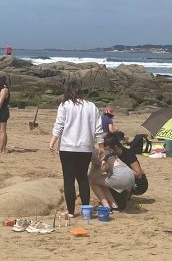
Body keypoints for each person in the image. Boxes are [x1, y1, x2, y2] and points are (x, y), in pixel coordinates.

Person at [49, 81, 104, 218]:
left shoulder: (65, 105)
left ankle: (71, 212)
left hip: (67, 147)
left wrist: (52, 142)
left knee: (69, 180)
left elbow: (59, 125)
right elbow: (98, 128)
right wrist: (101, 145)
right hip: (85, 148)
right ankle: (86, 211)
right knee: (83, 179)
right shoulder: (92, 106)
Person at [89, 133, 136, 211]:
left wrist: (92, 178)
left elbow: (105, 166)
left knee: (93, 181)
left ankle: (106, 206)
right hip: (130, 176)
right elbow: (94, 171)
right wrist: (93, 176)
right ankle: (113, 205)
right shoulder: (106, 152)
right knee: (101, 181)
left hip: (120, 176)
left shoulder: (95, 154)